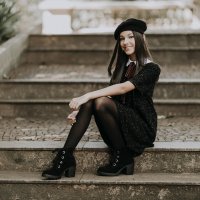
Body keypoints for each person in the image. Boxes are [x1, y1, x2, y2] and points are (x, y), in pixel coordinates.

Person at [42, 18, 161, 180]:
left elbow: (123, 88)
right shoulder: (122, 67)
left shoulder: (152, 68)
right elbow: (110, 96)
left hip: (141, 128)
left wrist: (86, 96)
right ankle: (65, 156)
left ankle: (122, 156)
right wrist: (80, 111)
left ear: (142, 39)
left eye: (130, 37)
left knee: (97, 100)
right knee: (96, 101)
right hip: (121, 125)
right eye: (122, 39)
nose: (125, 42)